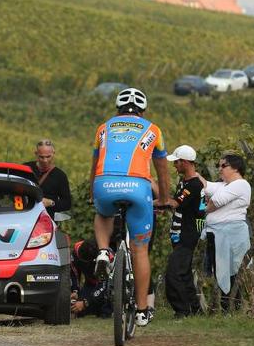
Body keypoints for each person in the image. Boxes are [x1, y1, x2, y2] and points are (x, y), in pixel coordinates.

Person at [89, 87, 170, 327]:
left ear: (118, 109)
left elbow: (94, 164)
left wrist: (94, 192)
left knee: (103, 213)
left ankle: (103, 250)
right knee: (140, 250)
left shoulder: (103, 128)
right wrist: (165, 198)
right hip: (138, 186)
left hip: (104, 182)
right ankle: (143, 310)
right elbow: (162, 172)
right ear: (143, 111)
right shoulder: (153, 130)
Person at [196, 154, 251, 312]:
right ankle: (228, 308)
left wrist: (202, 210)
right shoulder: (225, 185)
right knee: (220, 271)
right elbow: (206, 185)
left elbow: (215, 201)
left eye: (223, 166)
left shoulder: (240, 184)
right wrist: (193, 173)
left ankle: (233, 307)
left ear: (235, 168)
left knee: (231, 271)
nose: (219, 169)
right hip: (218, 234)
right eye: (219, 166)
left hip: (230, 234)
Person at [163, 145, 206, 318]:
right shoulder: (185, 182)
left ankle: (182, 310)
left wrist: (153, 202)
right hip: (179, 234)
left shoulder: (194, 184)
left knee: (173, 273)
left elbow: (175, 203)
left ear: (186, 162)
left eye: (177, 162)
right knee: (185, 274)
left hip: (187, 235)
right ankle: (196, 309)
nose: (174, 166)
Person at [23, 139, 72, 219]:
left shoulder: (60, 176)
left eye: (48, 157)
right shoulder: (25, 169)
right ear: (36, 154)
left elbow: (67, 204)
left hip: (46, 219)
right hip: (25, 215)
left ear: (53, 153)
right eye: (41, 157)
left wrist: (50, 203)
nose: (45, 160)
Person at [69, 239, 111, 318]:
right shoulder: (75, 251)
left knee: (104, 311)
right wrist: (75, 291)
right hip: (90, 282)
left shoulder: (105, 257)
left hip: (108, 284)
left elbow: (104, 285)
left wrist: (85, 303)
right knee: (78, 309)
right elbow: (74, 273)